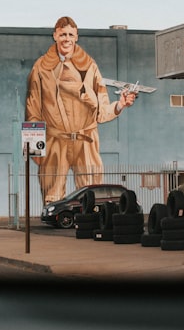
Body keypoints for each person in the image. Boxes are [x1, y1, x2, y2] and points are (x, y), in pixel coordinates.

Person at [25, 16, 138, 204]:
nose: (66, 39)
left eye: (70, 34)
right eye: (62, 34)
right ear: (55, 36)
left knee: (92, 196)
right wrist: (35, 153)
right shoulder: (40, 68)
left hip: (86, 141)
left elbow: (101, 111)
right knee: (52, 199)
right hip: (55, 141)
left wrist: (121, 105)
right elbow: (32, 110)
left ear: (76, 37)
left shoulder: (90, 67)